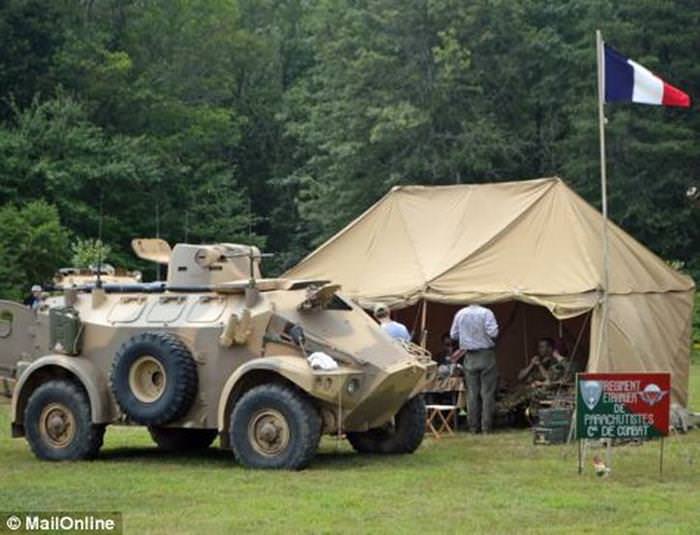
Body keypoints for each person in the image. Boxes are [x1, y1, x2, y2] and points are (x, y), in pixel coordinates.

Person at [450, 303, 499, 434]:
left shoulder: (460, 313)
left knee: (471, 393)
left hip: (469, 356)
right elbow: (493, 332)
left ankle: (472, 427)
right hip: (486, 354)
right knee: (487, 393)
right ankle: (486, 427)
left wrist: (467, 336)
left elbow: (453, 335)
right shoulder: (487, 312)